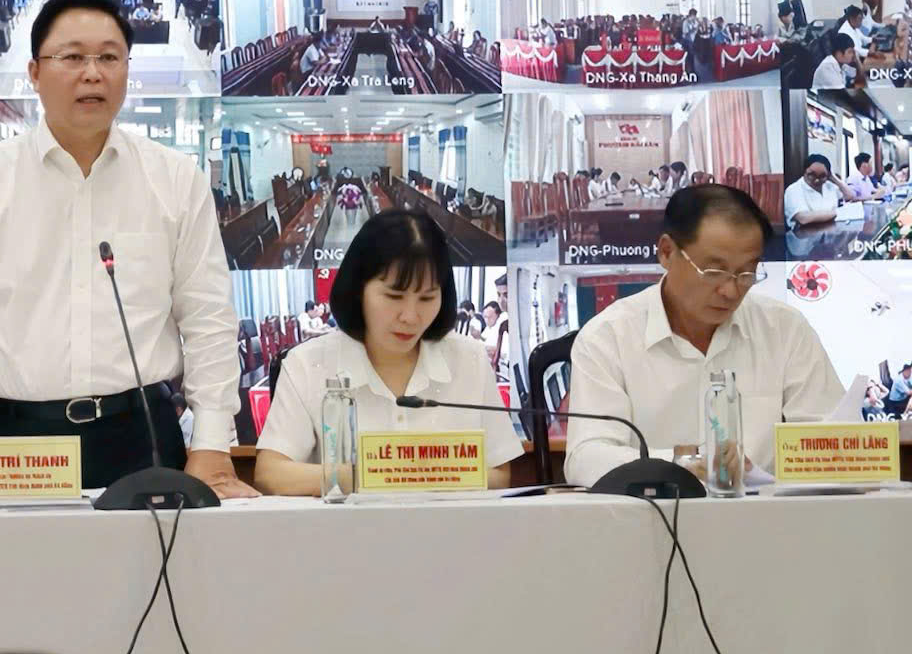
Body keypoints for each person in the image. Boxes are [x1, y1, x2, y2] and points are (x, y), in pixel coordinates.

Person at [0, 0, 254, 498]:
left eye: (109, 58)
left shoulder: (175, 179)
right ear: (34, 72)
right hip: (16, 444)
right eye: (72, 57)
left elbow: (208, 320)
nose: (93, 73)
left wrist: (211, 443)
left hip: (141, 436)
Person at [565, 186, 842, 489]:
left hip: (765, 513)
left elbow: (834, 439)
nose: (731, 291)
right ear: (667, 252)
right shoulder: (608, 337)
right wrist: (684, 464)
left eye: (746, 273)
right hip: (652, 514)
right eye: (713, 271)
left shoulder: (784, 329)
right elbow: (587, 457)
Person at [253, 212, 522, 495]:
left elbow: (499, 473)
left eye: (427, 298)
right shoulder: (308, 364)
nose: (410, 317)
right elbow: (270, 474)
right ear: (358, 289)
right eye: (394, 296)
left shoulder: (469, 359)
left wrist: (409, 476)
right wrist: (372, 475)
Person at [784, 153, 856, 226]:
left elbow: (850, 196)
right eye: (812, 175)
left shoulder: (829, 186)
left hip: (830, 229)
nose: (817, 180)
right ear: (804, 172)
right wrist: (838, 213)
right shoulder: (794, 189)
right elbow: (803, 218)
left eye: (822, 176)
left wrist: (834, 178)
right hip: (805, 231)